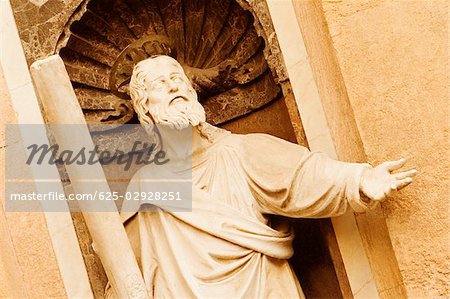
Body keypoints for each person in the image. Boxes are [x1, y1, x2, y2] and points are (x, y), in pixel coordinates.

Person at [112, 55, 416, 298]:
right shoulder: (147, 188)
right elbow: (131, 272)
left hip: (261, 287)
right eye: (160, 84)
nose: (173, 86)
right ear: (146, 112)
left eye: (177, 78)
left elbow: (303, 175)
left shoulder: (242, 151)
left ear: (193, 93)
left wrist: (359, 181)